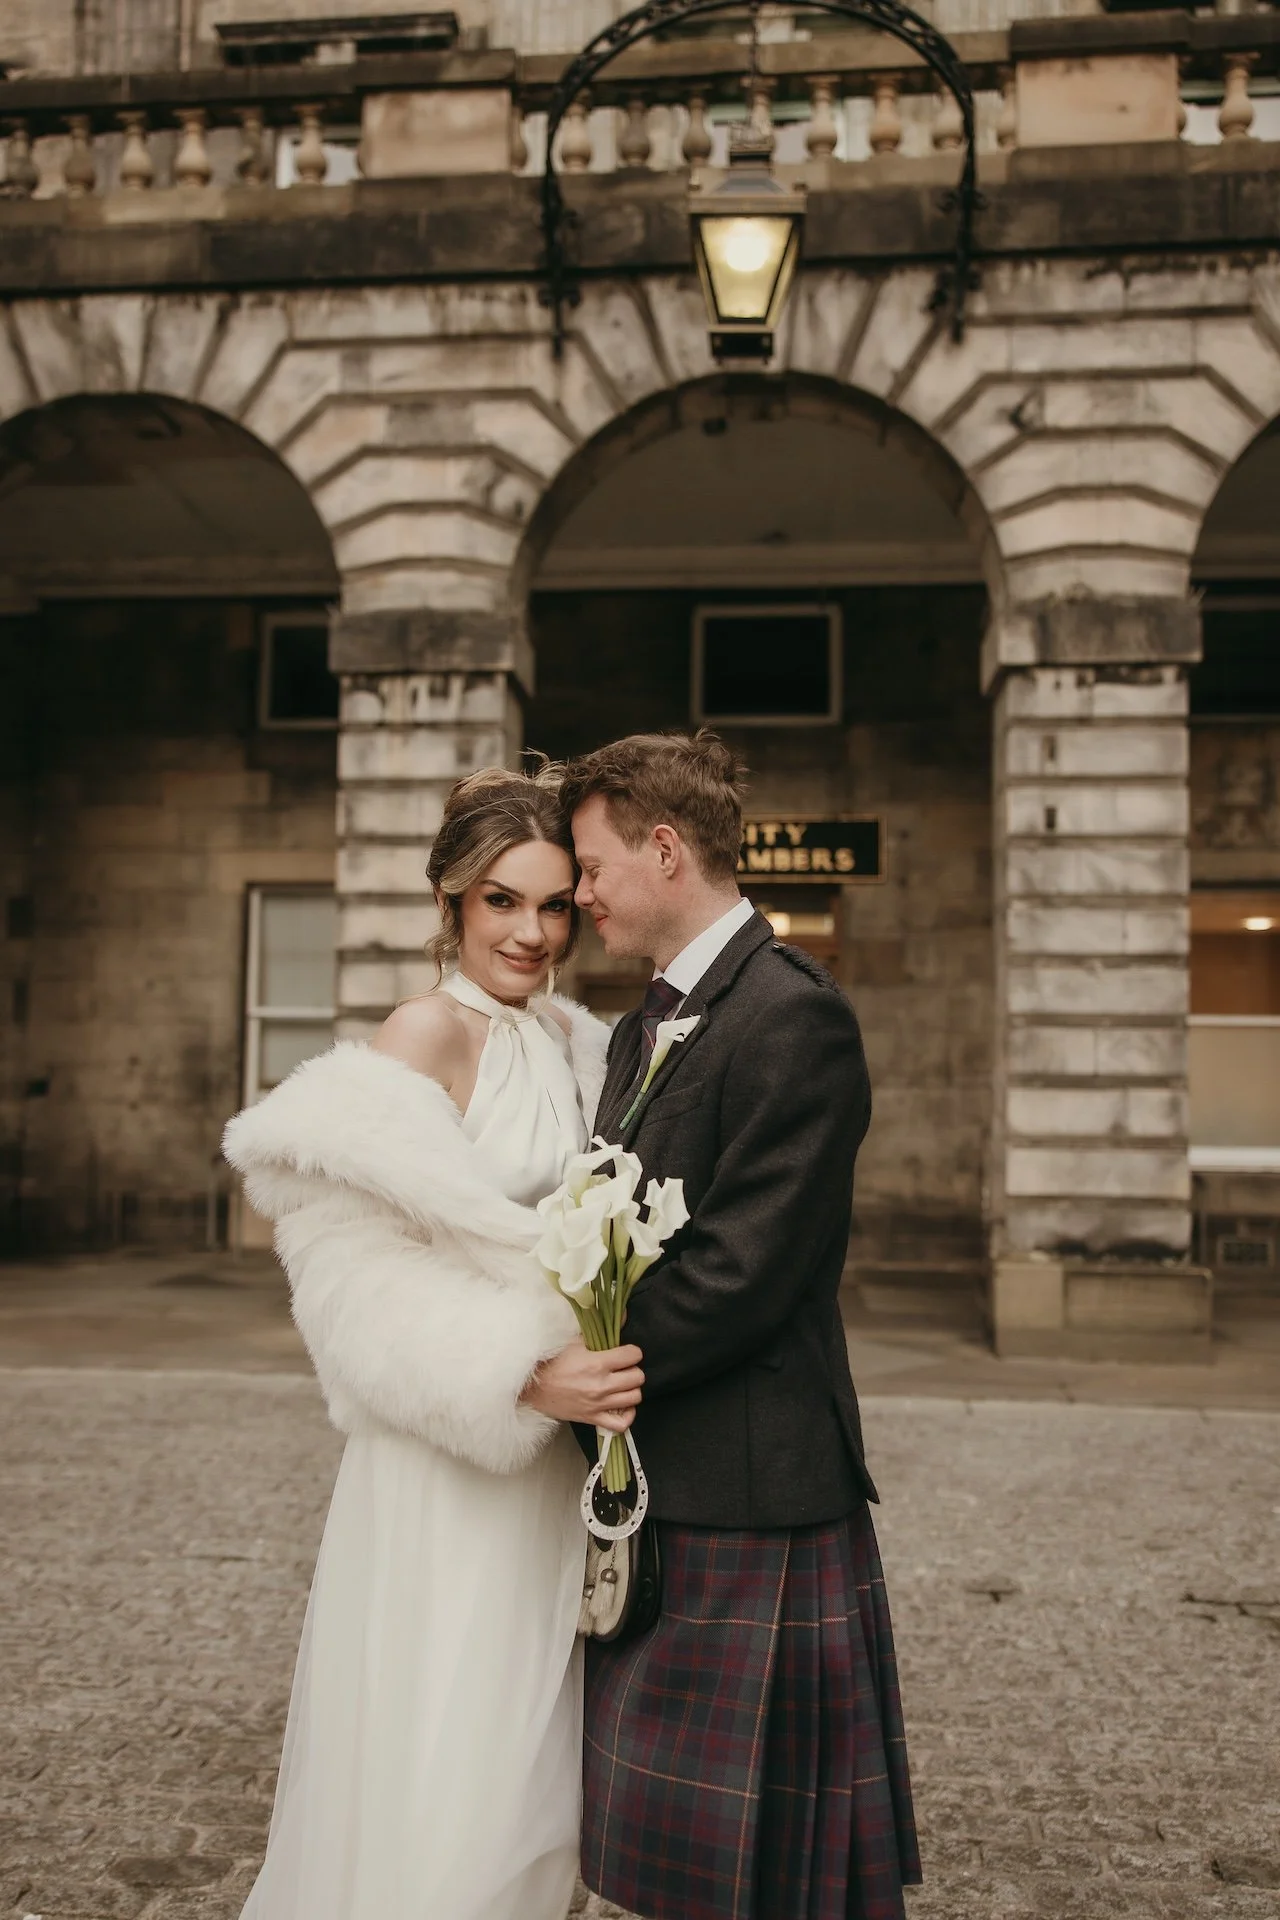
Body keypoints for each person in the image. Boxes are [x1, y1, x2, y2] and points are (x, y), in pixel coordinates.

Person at [222, 765, 642, 1920]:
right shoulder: (424, 1030)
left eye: (554, 904)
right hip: (450, 1448)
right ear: (452, 901)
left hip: (548, 1464)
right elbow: (351, 1274)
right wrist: (514, 1373)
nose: (531, 930)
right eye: (502, 900)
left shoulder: (575, 1042)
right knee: (443, 1726)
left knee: (529, 1739)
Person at [562, 730, 922, 1920]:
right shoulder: (637, 1027)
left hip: (751, 1481)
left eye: (592, 864)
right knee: (656, 1858)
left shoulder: (791, 1014)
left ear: (663, 849)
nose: (580, 893)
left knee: (754, 1878)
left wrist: (582, 1366)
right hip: (668, 1472)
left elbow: (742, 1272)